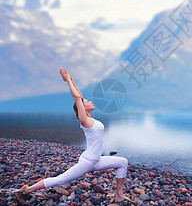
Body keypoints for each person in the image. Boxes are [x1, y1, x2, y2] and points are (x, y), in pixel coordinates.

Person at [14, 68, 131, 204]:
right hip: (89, 161)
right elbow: (77, 98)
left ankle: (119, 195)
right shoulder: (85, 121)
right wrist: (68, 81)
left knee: (123, 162)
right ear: (82, 108)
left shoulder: (90, 119)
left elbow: (79, 97)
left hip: (96, 159)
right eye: (87, 102)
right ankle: (27, 190)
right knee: (60, 179)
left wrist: (71, 79)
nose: (89, 102)